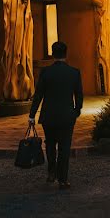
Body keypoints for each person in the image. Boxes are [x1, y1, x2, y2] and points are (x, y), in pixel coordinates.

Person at [29, 40, 83, 190]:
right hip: (67, 116)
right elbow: (79, 95)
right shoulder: (74, 73)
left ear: (53, 54)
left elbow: (38, 95)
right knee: (65, 147)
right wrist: (76, 111)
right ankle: (63, 179)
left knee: (50, 144)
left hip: (49, 116)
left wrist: (32, 115)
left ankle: (51, 172)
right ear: (66, 54)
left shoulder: (46, 73)